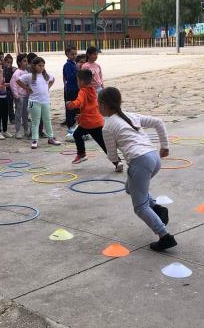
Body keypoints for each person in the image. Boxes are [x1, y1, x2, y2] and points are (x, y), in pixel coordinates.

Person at [100, 87, 176, 251]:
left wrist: (115, 160)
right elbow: (158, 122)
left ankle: (165, 237)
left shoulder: (107, 127)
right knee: (130, 188)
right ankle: (157, 208)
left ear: (103, 105)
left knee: (140, 207)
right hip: (154, 158)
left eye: (98, 105)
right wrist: (164, 146)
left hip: (141, 162)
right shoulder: (131, 115)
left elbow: (112, 155)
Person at [65, 69, 121, 170]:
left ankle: (81, 154)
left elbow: (79, 102)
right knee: (103, 144)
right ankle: (117, 162)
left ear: (81, 82)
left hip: (88, 123)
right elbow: (90, 108)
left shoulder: (82, 91)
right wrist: (82, 115)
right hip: (97, 122)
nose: (77, 83)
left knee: (76, 134)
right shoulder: (93, 91)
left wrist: (71, 104)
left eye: (78, 81)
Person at [16, 56, 60, 149]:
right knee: (35, 121)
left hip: (45, 102)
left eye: (43, 65)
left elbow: (53, 79)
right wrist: (26, 88)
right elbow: (18, 80)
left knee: (47, 120)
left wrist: (48, 87)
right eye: (39, 65)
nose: (41, 67)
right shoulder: (30, 76)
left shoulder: (46, 75)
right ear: (34, 66)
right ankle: (35, 140)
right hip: (34, 102)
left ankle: (51, 138)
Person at [11, 53, 29, 139]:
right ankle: (18, 131)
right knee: (18, 114)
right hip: (19, 96)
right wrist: (16, 95)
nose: (26, 63)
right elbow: (13, 84)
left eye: (27, 61)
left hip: (26, 96)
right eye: (24, 61)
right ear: (19, 62)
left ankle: (26, 129)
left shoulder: (26, 72)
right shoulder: (17, 73)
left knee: (26, 113)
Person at [63, 46, 79, 134]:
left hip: (76, 88)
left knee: (77, 107)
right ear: (67, 54)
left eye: (75, 54)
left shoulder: (74, 63)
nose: (74, 56)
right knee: (70, 108)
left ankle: (75, 124)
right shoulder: (67, 65)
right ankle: (70, 125)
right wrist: (77, 69)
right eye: (72, 54)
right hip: (70, 89)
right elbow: (69, 77)